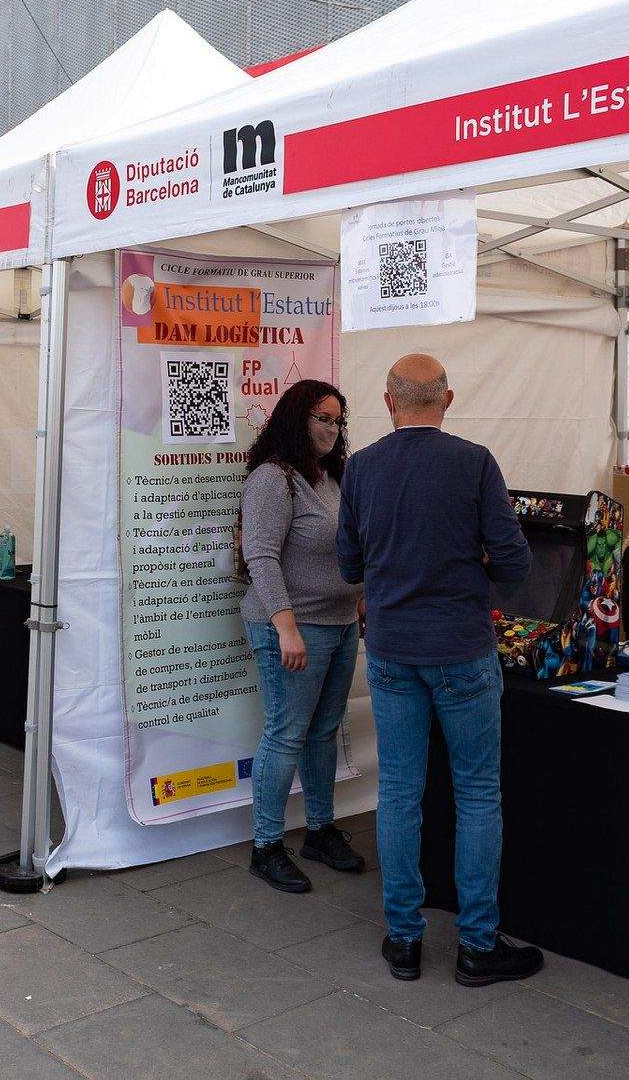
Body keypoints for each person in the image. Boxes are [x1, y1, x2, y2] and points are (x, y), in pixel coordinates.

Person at [337, 353, 538, 987]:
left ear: (389, 400)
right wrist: (470, 564)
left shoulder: (362, 469)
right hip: (461, 648)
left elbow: (349, 566)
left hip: (393, 649)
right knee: (477, 794)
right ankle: (477, 946)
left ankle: (404, 940)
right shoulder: (474, 463)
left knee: (400, 793)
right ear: (446, 399)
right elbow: (515, 564)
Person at [239, 379, 365, 893]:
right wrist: (285, 626)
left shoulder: (332, 479)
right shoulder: (275, 479)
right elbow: (261, 556)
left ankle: (319, 830)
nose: (331, 429)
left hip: (338, 624)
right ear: (297, 419)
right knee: (286, 733)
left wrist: (357, 599)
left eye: (337, 420)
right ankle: (266, 845)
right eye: (321, 418)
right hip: (291, 628)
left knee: (323, 729)